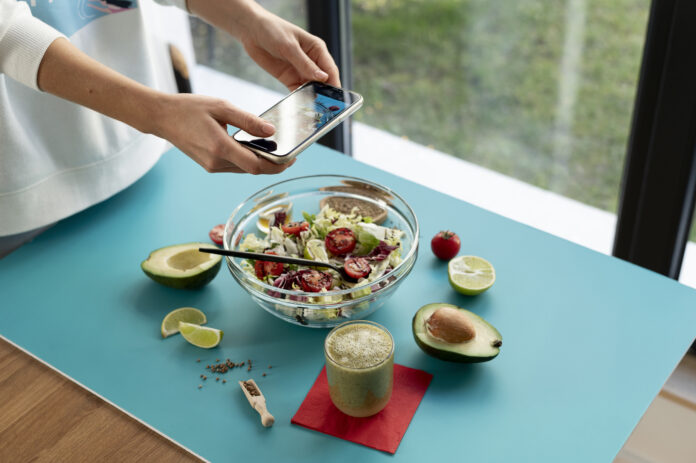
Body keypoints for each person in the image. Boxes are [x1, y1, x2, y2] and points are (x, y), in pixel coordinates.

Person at [0, 0, 340, 256]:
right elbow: (8, 32)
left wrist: (248, 18)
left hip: (147, 155)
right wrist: (157, 114)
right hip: (28, 191)